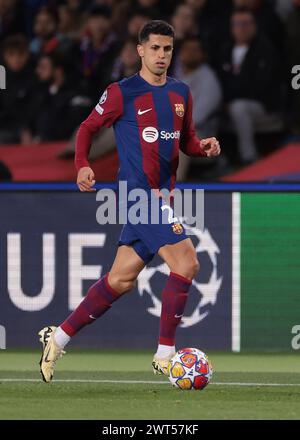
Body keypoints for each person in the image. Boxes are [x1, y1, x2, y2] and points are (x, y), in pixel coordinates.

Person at [38, 20, 220, 383]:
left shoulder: (181, 92)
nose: (161, 55)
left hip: (162, 196)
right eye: (154, 48)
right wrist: (82, 165)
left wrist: (202, 147)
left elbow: (186, 140)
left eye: (167, 49)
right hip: (136, 196)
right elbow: (89, 127)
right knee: (187, 262)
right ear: (140, 50)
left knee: (120, 280)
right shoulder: (123, 92)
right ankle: (165, 355)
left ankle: (56, 338)